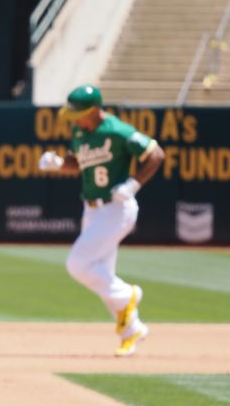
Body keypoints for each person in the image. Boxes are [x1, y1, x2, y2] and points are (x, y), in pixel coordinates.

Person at [38, 84, 165, 357]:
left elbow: (156, 154)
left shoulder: (117, 130)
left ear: (95, 110)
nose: (74, 119)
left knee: (78, 264)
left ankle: (128, 295)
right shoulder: (80, 130)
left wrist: (134, 183)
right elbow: (77, 162)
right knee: (102, 274)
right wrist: (59, 163)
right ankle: (132, 331)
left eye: (79, 113)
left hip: (117, 207)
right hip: (92, 208)